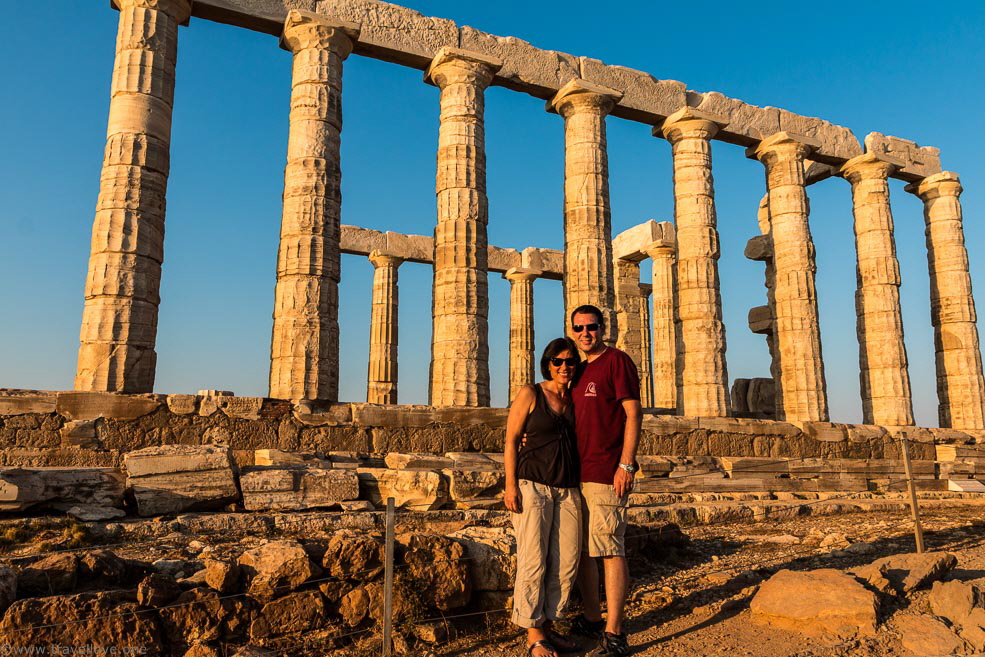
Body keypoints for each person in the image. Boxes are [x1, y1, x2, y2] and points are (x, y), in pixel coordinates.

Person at [568, 304, 642, 657]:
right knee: (583, 551)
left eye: (592, 327)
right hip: (573, 475)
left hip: (606, 473)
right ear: (572, 331)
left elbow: (632, 413)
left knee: (611, 549)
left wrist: (626, 465)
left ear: (603, 328)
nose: (586, 333)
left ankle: (614, 633)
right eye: (579, 328)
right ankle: (592, 618)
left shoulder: (617, 361)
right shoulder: (574, 369)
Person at [504, 337, 584, 657]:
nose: (564, 367)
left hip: (568, 489)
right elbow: (510, 440)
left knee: (566, 563)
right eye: (558, 361)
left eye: (570, 362)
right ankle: (534, 635)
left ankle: (550, 626)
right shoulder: (531, 393)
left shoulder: (578, 399)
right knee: (534, 560)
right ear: (548, 364)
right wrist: (510, 486)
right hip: (532, 486)